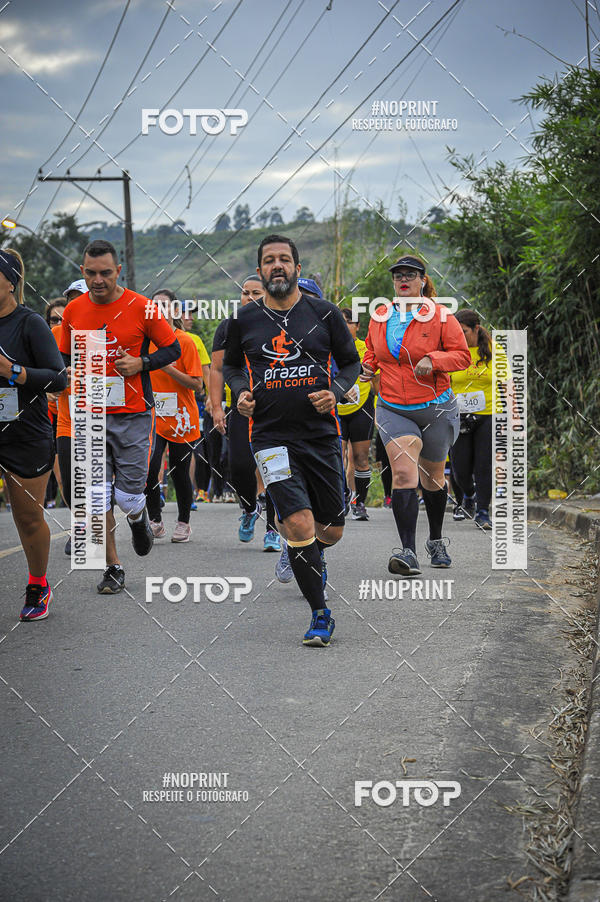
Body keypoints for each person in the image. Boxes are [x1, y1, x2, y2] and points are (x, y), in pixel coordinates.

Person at [224, 235, 360, 646]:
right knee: (298, 524)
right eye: (269, 260)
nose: (277, 266)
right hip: (269, 437)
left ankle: (310, 555)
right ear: (261, 270)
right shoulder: (243, 321)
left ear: (297, 268)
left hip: (320, 436)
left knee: (331, 531)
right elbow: (231, 368)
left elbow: (352, 362)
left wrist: (335, 392)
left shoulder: (324, 313)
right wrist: (241, 392)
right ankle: (320, 613)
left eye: (285, 259)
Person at [59, 239, 180, 594]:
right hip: (89, 413)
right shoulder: (73, 311)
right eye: (91, 273)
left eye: (105, 273)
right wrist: (64, 376)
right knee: (96, 496)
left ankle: (138, 516)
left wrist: (142, 363)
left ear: (118, 272)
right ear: (83, 272)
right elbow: (64, 358)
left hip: (133, 414)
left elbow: (171, 348)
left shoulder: (141, 307)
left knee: (127, 497)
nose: (99, 280)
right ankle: (113, 566)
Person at [361, 253, 470, 576]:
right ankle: (407, 552)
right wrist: (369, 366)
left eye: (410, 274)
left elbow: (462, 356)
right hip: (394, 407)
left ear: (423, 280)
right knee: (405, 475)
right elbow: (371, 350)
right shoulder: (381, 316)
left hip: (436, 407)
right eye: (398, 276)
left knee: (433, 478)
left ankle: (436, 540)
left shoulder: (441, 316)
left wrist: (435, 360)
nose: (403, 279)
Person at [0, 249, 67, 620]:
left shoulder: (29, 323)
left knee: (27, 517)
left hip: (25, 431)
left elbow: (58, 377)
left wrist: (14, 372)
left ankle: (39, 583)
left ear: (10, 282)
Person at [210, 275, 280, 550]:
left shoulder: (279, 322)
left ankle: (274, 528)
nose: (249, 297)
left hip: (275, 406)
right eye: (245, 292)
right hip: (240, 406)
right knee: (239, 466)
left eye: (255, 292)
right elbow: (217, 369)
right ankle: (250, 508)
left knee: (275, 468)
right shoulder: (229, 326)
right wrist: (217, 408)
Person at [145, 291, 203, 542]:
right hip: (152, 416)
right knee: (150, 468)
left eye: (164, 305)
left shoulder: (185, 342)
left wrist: (166, 366)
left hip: (181, 417)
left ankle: (183, 522)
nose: (158, 309)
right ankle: (154, 519)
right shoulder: (142, 341)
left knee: (180, 473)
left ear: (175, 311)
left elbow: (197, 385)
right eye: (154, 305)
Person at [449, 308, 506, 530]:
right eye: (456, 332)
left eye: (463, 331)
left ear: (475, 329)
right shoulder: (452, 351)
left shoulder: (494, 350)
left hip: (488, 414)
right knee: (459, 469)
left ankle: (483, 512)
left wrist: (516, 417)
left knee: (484, 465)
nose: (459, 336)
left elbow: (506, 383)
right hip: (458, 416)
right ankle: (469, 494)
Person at [338, 308, 374, 521]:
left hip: (362, 409)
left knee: (360, 458)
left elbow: (377, 382)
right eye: (341, 322)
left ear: (358, 326)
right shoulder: (330, 346)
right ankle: (340, 497)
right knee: (336, 457)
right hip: (336, 410)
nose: (345, 326)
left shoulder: (366, 349)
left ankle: (359, 502)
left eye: (349, 322)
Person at [44, 298, 67, 508]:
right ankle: (78, 528)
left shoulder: (85, 340)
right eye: (54, 320)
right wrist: (44, 392)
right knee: (65, 480)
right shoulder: (39, 344)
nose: (59, 324)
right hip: (54, 420)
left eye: (63, 319)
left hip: (88, 417)